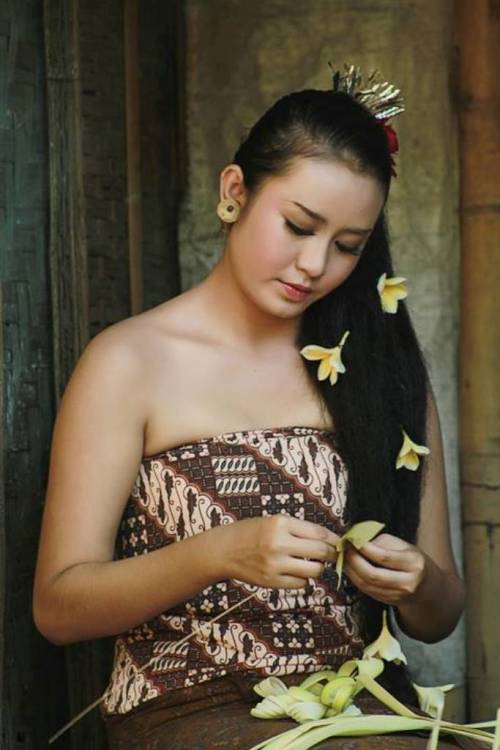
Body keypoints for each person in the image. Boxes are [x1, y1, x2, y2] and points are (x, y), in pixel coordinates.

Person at [33, 64, 466, 749]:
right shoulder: (129, 362)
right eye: (298, 226)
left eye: (347, 247)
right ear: (234, 192)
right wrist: (216, 554)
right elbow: (58, 606)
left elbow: (440, 616)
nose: (313, 265)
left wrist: (414, 583)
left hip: (359, 704)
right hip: (185, 711)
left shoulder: (383, 371)